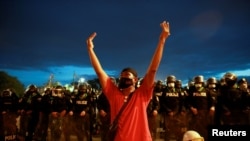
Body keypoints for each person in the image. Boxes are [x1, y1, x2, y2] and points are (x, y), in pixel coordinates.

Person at [86, 21, 170, 141]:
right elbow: (99, 72)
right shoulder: (113, 93)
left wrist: (162, 41)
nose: (123, 78)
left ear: (135, 79)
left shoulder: (142, 94)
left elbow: (152, 70)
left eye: (127, 75)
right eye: (121, 76)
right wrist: (90, 50)